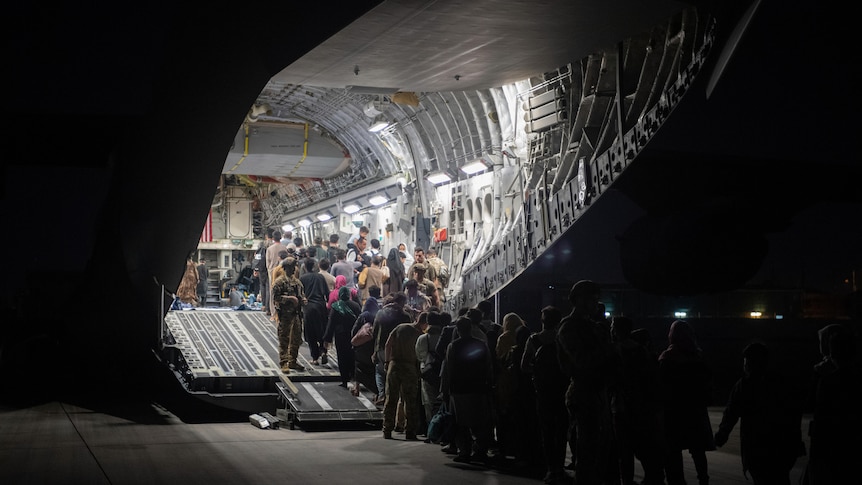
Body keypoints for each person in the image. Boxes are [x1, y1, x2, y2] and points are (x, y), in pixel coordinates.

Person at [714, 342, 804, 485]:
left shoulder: (744, 385)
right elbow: (794, 414)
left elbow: (731, 413)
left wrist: (721, 436)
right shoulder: (781, 383)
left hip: (756, 448)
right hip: (781, 447)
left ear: (749, 363)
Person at [557, 280, 619, 485]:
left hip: (597, 391)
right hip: (584, 391)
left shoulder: (591, 326)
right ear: (577, 300)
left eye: (595, 299)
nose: (594, 303)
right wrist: (608, 349)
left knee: (601, 448)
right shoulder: (569, 327)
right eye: (590, 299)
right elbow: (582, 361)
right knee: (588, 449)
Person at [610, 316, 665, 485]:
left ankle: (626, 481)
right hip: (640, 406)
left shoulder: (612, 350)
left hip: (619, 406)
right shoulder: (642, 352)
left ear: (616, 330)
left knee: (624, 452)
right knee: (643, 446)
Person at [659, 320, 715, 485]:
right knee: (697, 449)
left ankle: (677, 481)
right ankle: (703, 479)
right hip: (694, 410)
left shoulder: (667, 357)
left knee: (673, 449)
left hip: (674, 411)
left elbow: (661, 385)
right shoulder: (697, 357)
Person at [521, 306, 569, 485]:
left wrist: (538, 372)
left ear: (542, 320)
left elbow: (524, 366)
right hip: (562, 388)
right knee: (562, 430)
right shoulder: (562, 339)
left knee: (547, 430)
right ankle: (561, 467)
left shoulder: (534, 339)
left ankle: (551, 469)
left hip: (542, 391)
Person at [441, 316, 495, 464]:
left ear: (458, 330)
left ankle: (464, 452)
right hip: (478, 388)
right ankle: (480, 451)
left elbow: (448, 370)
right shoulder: (482, 345)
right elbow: (488, 367)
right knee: (479, 422)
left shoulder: (453, 346)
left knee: (460, 423)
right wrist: (489, 385)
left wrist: (445, 390)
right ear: (471, 328)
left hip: (459, 389)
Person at [382, 306, 427, 440]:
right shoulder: (420, 335)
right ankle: (410, 431)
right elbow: (420, 356)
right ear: (424, 323)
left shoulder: (400, 327)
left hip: (394, 365)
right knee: (410, 401)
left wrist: (386, 361)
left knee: (391, 399)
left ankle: (387, 430)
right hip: (409, 367)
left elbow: (387, 344)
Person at [372, 292, 412, 406]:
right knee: (395, 375)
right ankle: (395, 400)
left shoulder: (381, 313)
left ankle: (382, 395)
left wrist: (374, 350)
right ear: (403, 302)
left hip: (381, 348)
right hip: (398, 349)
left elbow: (374, 332)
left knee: (380, 372)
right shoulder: (406, 316)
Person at [271, 257, 306, 374]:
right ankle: (284, 362)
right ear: (285, 268)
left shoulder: (297, 282)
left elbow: (301, 295)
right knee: (284, 338)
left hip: (296, 314)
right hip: (285, 315)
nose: (293, 270)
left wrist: (303, 300)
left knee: (296, 338)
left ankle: (293, 360)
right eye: (291, 267)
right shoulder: (279, 282)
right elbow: (276, 298)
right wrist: (289, 299)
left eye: (294, 267)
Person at [324, 286, 361, 388]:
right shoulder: (356, 305)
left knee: (342, 357)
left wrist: (328, 338)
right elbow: (360, 320)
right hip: (353, 335)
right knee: (352, 356)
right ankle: (353, 377)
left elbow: (331, 324)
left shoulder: (336, 306)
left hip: (340, 336)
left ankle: (344, 380)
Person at [352, 285, 382, 398]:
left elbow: (355, 329)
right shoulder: (378, 316)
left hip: (361, 347)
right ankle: (375, 392)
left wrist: (354, 341)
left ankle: (357, 388)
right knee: (372, 369)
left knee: (358, 367)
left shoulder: (363, 315)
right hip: (372, 347)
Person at [300, 257, 330, 366]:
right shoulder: (320, 277)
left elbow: (300, 294)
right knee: (321, 331)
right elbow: (327, 293)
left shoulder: (302, 278)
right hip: (321, 306)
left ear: (304, 266)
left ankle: (315, 357)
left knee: (310, 333)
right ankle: (323, 351)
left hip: (308, 307)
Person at [266, 230, 288, 316]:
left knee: (273, 291)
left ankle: (273, 312)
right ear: (281, 237)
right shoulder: (284, 248)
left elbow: (267, 263)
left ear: (273, 238)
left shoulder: (269, 249)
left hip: (272, 271)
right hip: (284, 271)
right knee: (284, 290)